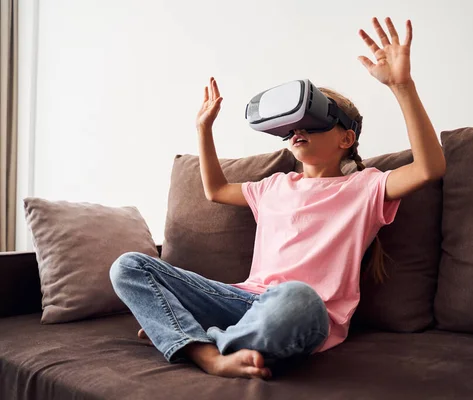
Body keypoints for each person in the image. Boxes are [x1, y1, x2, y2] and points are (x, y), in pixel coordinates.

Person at [109, 16, 445, 380]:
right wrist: (204, 130)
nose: (298, 131)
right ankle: (209, 349)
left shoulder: (366, 187)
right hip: (239, 301)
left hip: (299, 310)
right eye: (292, 126)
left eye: (313, 121)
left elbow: (429, 168)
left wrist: (402, 86)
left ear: (346, 139)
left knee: (297, 297)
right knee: (128, 266)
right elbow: (216, 190)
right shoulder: (274, 186)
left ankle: (194, 343)